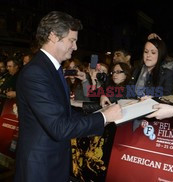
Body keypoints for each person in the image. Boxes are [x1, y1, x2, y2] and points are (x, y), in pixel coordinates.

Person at [14, 11, 122, 182]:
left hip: (53, 162)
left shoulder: (51, 69)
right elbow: (59, 126)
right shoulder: (36, 72)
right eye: (72, 40)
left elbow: (64, 114)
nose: (76, 47)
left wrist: (102, 114)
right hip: (39, 168)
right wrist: (103, 117)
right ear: (53, 36)